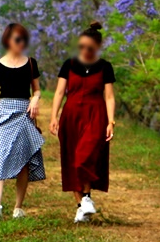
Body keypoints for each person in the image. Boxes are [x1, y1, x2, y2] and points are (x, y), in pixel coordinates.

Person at [0, 23, 45, 221]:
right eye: (17, 39)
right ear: (8, 40)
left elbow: (36, 89)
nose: (20, 43)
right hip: (4, 113)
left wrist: (35, 99)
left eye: (23, 39)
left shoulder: (31, 63)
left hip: (24, 114)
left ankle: (18, 207)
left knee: (23, 161)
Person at [49, 21, 116, 223]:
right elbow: (60, 92)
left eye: (89, 48)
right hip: (71, 115)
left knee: (84, 157)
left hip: (95, 115)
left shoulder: (105, 67)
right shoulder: (69, 65)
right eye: (82, 47)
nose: (85, 51)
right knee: (71, 161)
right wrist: (54, 116)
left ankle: (86, 198)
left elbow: (110, 96)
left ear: (97, 48)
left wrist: (111, 121)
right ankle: (82, 207)